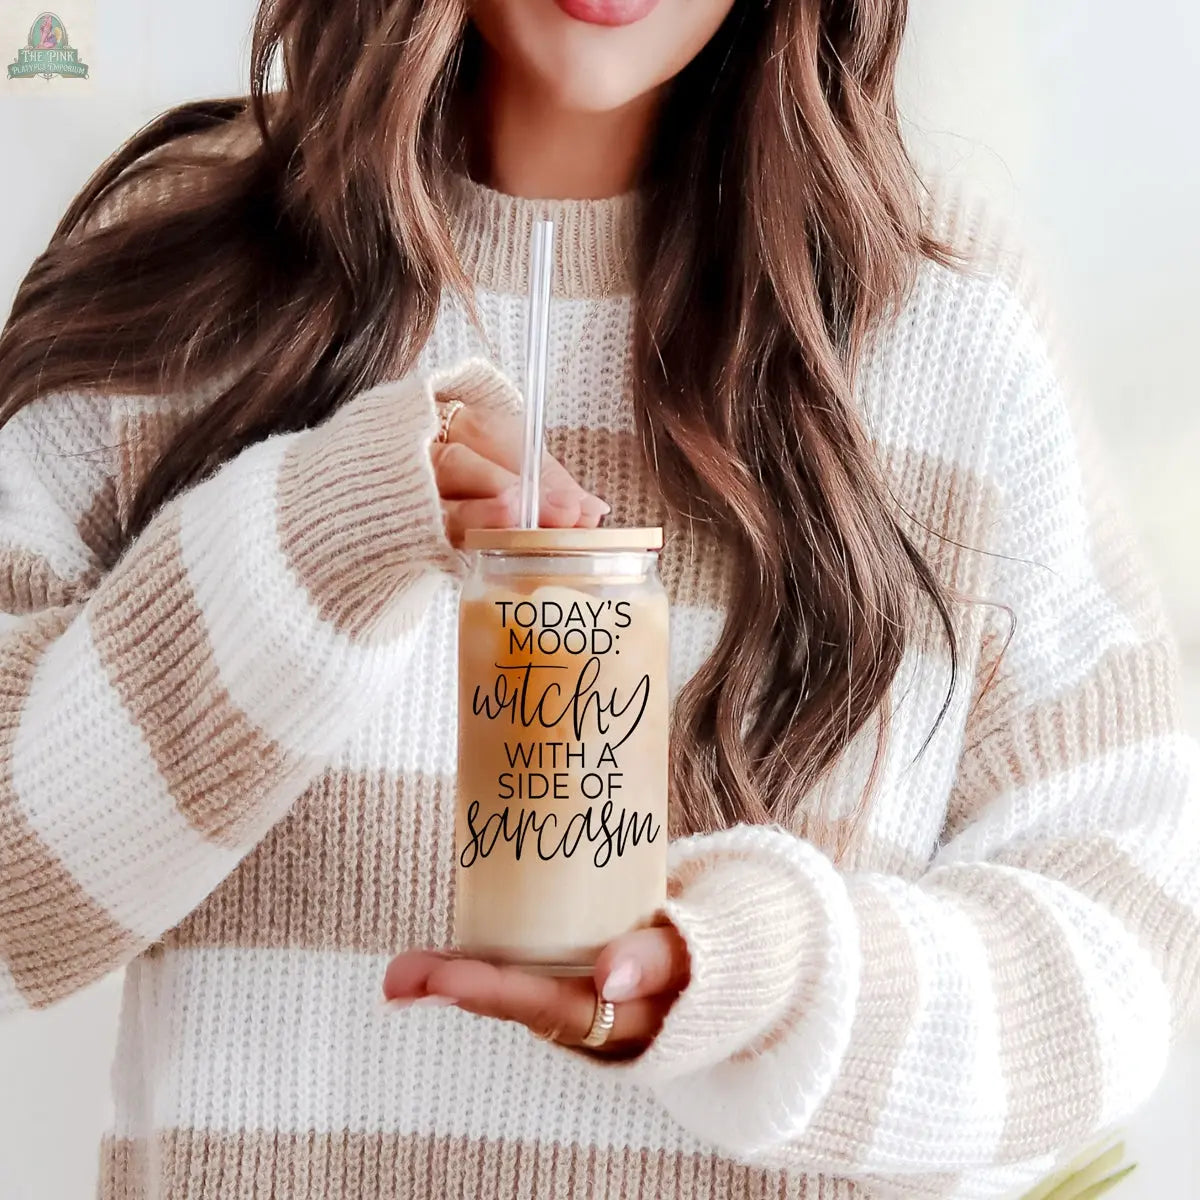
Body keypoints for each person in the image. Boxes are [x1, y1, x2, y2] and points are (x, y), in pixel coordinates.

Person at [0, 0, 1197, 1197]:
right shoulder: (183, 286)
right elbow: (18, 892)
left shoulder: (937, 327)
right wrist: (324, 531)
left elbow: (1127, 942)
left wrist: (759, 988)